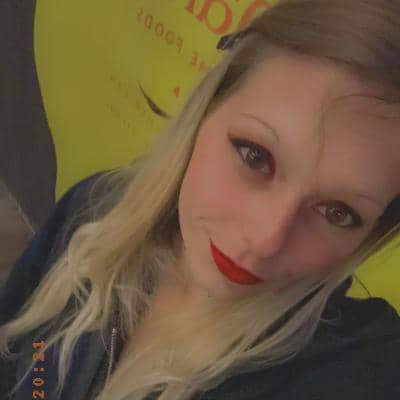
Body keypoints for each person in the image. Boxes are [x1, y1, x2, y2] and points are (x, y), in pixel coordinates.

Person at [1, 0, 400, 399]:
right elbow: (20, 358)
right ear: (206, 109)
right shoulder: (96, 210)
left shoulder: (356, 369)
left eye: (337, 213)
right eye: (254, 156)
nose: (266, 240)